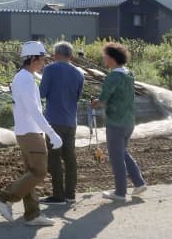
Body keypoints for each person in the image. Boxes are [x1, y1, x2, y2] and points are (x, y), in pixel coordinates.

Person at [0, 41, 63, 226]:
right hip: (31, 132)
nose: (44, 63)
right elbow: (34, 111)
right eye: (42, 59)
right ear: (32, 58)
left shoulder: (24, 78)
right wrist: (51, 132)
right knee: (39, 172)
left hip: (26, 131)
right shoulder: (25, 80)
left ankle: (32, 214)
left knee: (30, 173)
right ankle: (3, 197)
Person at [92, 42, 148, 201]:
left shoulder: (113, 76)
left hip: (115, 122)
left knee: (116, 157)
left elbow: (103, 100)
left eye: (105, 56)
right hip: (129, 121)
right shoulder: (129, 74)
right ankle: (139, 182)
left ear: (111, 58)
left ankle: (120, 192)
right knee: (123, 152)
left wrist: (95, 102)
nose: (104, 59)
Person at [39, 41, 84, 204]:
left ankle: (58, 195)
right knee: (70, 157)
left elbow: (42, 93)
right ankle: (70, 194)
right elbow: (77, 97)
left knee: (54, 158)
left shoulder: (50, 69)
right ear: (70, 55)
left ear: (56, 54)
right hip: (71, 121)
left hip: (54, 121)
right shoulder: (79, 73)